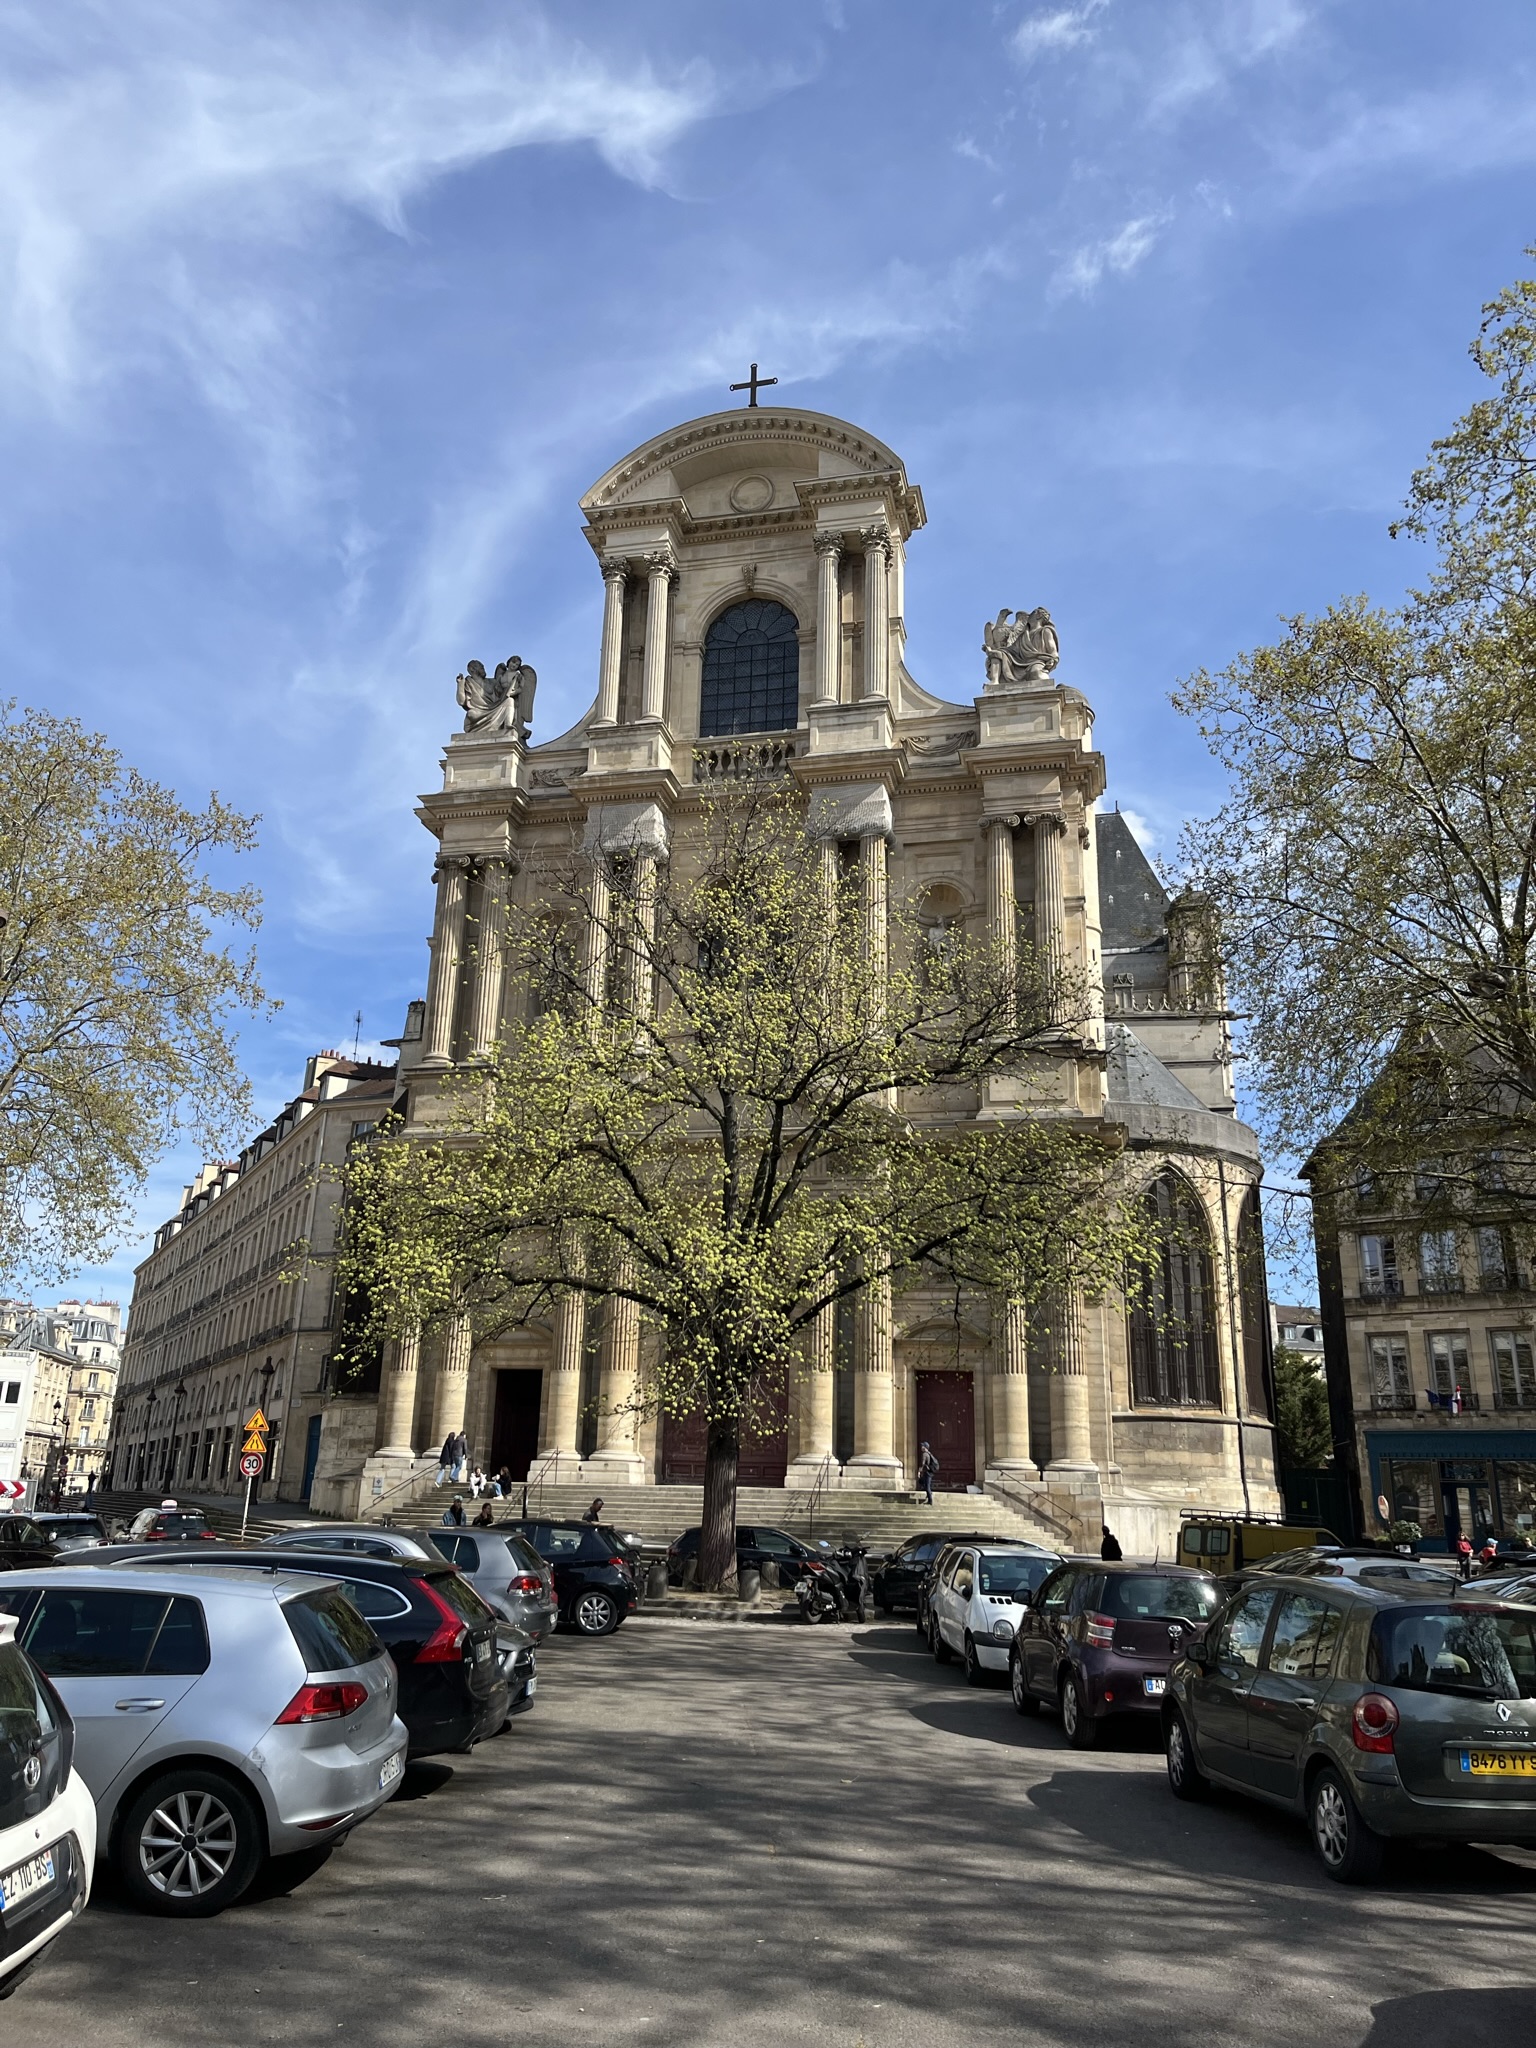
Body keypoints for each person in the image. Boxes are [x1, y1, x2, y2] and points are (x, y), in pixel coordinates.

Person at [916, 1441, 939, 1507]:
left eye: (923, 1446)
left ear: (925, 1447)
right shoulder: (929, 1453)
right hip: (930, 1472)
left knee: (927, 1486)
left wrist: (919, 1471)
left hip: (927, 1472)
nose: (921, 1447)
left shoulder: (925, 1454)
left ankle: (930, 1500)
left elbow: (922, 1464)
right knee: (923, 1482)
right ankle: (929, 1494)